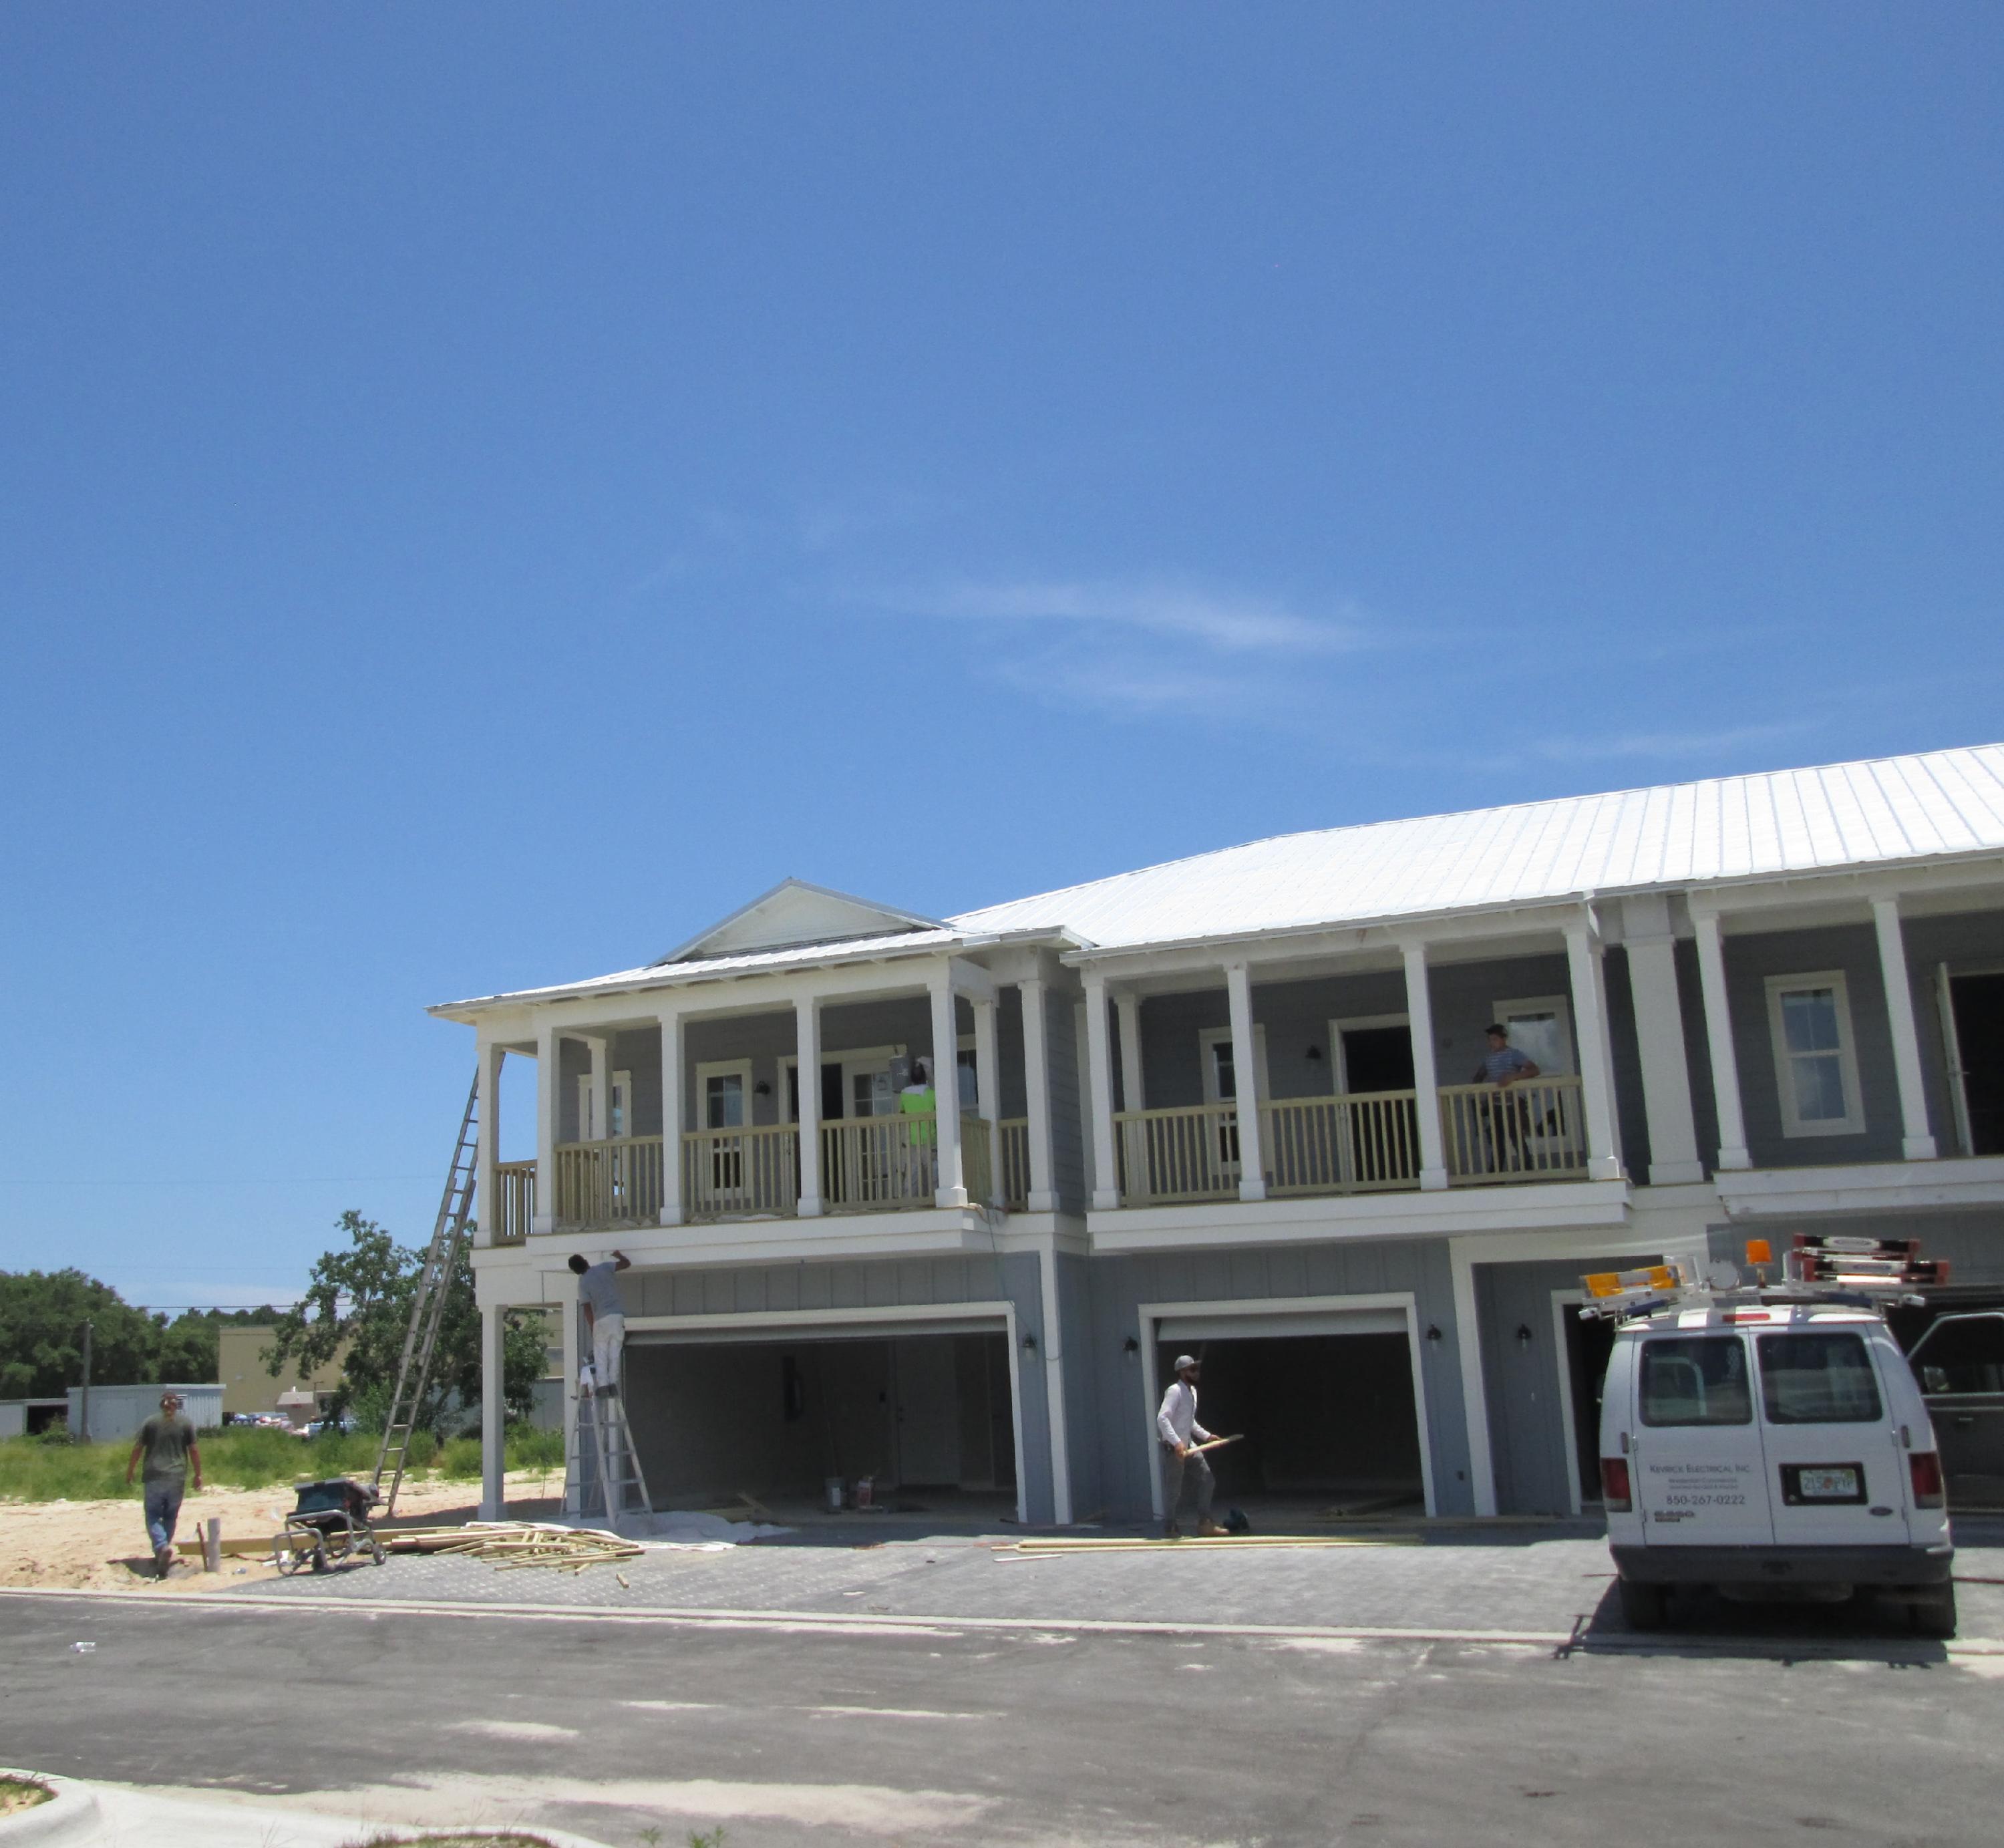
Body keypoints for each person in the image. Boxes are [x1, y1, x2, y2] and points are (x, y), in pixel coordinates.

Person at [126, 1390, 202, 1579]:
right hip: (177, 1476)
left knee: (152, 1515)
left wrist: (130, 1471)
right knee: (170, 1515)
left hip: (154, 1475)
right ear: (177, 1406)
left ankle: (161, 1547)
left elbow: (138, 1448)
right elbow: (194, 1451)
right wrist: (198, 1475)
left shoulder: (150, 1423)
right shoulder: (185, 1423)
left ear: (162, 1405)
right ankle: (164, 1550)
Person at [1156, 1354, 1225, 1539]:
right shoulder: (1175, 1391)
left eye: (1197, 1369)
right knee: (1174, 1491)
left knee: (1207, 1479)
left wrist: (1208, 1436)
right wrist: (1176, 1443)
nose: (1196, 1373)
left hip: (1190, 1446)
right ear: (1182, 1372)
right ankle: (1170, 1526)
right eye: (1192, 1370)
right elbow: (1162, 1418)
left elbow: (1190, 1423)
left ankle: (1205, 1523)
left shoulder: (1192, 1392)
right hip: (1175, 1449)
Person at [1470, 1023, 1540, 1172]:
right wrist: (1480, 1093)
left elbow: (1534, 1070)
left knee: (1517, 1139)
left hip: (1512, 1104)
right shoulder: (1489, 1059)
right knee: (1497, 1141)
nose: (1491, 1043)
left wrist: (1513, 1077)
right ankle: (1496, 1173)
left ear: (1504, 1039)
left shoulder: (1514, 1054)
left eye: (1495, 1039)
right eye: (1490, 1040)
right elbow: (1479, 1077)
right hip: (1495, 1105)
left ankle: (1527, 1169)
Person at [569, 1249, 632, 1396]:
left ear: (576, 1271)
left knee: (601, 1353)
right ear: (585, 1261)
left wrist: (592, 1326)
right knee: (614, 1351)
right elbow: (626, 1264)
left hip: (601, 1319)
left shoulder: (583, 1282)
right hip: (617, 1316)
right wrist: (619, 1255)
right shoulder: (604, 1268)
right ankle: (613, 1384)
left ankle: (603, 1386)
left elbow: (587, 1308)